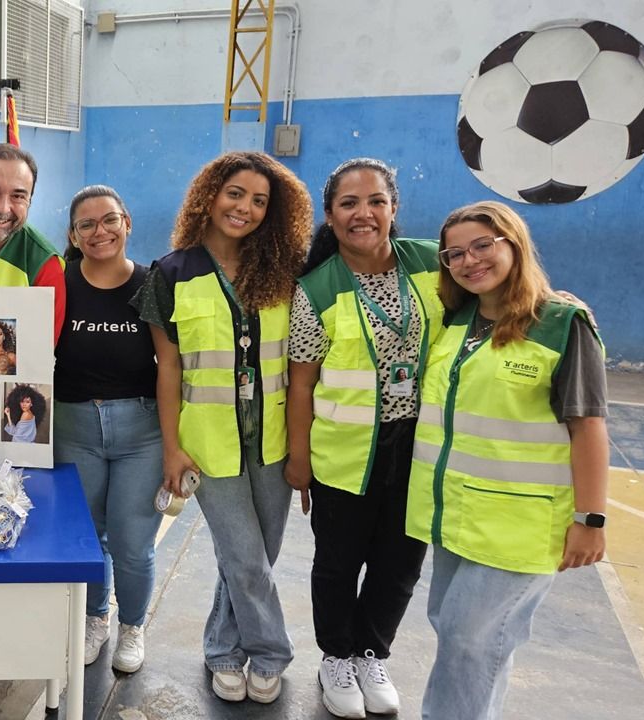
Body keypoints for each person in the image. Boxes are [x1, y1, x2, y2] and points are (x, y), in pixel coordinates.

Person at [412, 201, 608, 720]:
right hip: (457, 514)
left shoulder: (562, 323)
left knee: (471, 638)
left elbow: (587, 427)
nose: (469, 260)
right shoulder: (459, 322)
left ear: (513, 243)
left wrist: (590, 519)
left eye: (483, 245)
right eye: (455, 254)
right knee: (453, 629)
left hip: (520, 525)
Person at [133, 151, 312, 705]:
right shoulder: (170, 273)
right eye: (236, 193)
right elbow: (169, 368)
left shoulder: (286, 271)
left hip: (274, 442)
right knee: (245, 557)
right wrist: (173, 448)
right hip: (210, 445)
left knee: (257, 555)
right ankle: (272, 654)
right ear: (209, 196)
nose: (246, 208)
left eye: (260, 200)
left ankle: (222, 650)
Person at [285, 158, 443, 718]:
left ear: (393, 208)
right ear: (330, 215)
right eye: (349, 203)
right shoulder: (317, 288)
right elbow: (300, 384)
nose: (363, 213)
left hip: (422, 447)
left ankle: (373, 651)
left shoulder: (431, 264)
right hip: (346, 452)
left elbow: (497, 289)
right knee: (338, 561)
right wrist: (298, 461)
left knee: (400, 561)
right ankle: (335, 657)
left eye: (375, 201)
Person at [53, 185, 161, 674]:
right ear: (74, 235)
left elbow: (173, 365)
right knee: (87, 536)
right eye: (87, 225)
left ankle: (132, 625)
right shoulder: (58, 283)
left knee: (132, 542)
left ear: (127, 222)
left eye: (109, 220)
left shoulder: (152, 282)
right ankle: (97, 617)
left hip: (143, 431)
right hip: (74, 426)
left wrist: (178, 444)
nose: (100, 232)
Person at [0, 143, 65, 342]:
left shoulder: (43, 265)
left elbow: (38, 357)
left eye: (18, 196)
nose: (3, 208)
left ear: (30, 201)